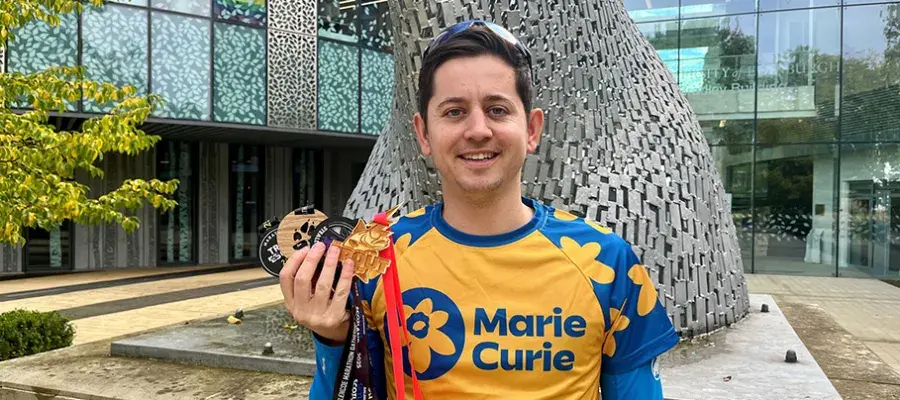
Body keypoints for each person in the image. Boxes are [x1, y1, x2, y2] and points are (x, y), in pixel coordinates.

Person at [279, 19, 679, 400]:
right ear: (423, 134)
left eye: (497, 109)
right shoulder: (378, 258)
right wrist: (332, 335)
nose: (477, 130)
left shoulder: (607, 261)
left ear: (533, 129)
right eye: (454, 111)